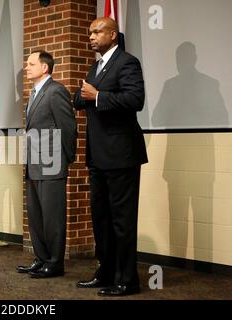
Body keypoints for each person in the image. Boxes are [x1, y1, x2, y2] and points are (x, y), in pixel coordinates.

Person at [73, 17, 148, 296]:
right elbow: (82, 98)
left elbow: (134, 99)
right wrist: (84, 96)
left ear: (113, 35)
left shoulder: (127, 62)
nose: (91, 36)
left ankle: (128, 280)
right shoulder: (96, 66)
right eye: (89, 32)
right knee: (101, 219)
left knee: (122, 221)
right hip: (97, 156)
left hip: (121, 155)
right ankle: (105, 272)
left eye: (97, 32)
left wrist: (98, 95)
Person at [17, 50, 77, 278]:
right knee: (36, 216)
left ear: (45, 68)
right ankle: (41, 258)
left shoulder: (56, 91)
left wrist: (65, 159)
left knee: (52, 218)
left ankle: (54, 263)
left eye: (31, 64)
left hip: (52, 165)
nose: (27, 67)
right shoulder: (33, 93)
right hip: (34, 165)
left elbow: (68, 128)